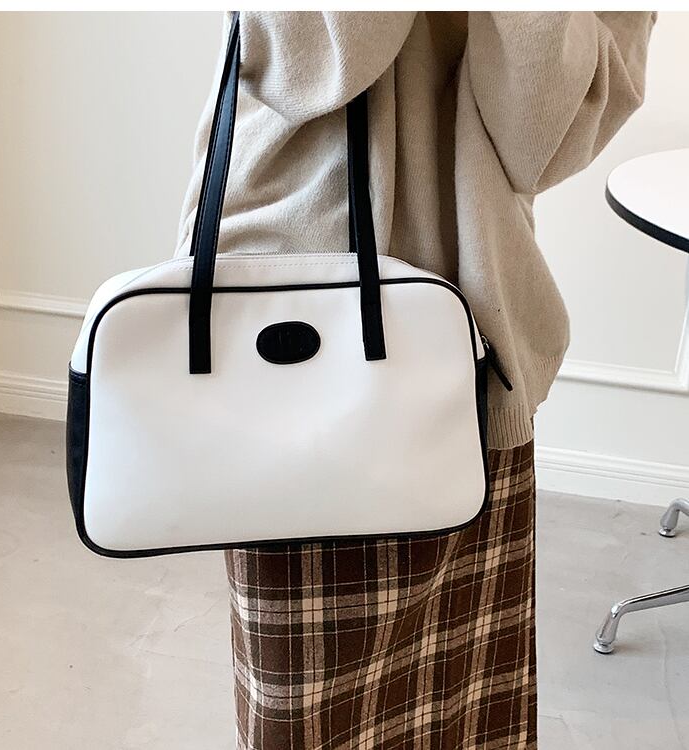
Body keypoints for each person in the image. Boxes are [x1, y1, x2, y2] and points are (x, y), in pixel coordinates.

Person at [176, 11, 656, 749]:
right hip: (296, 340)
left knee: (465, 718)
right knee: (307, 719)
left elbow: (541, 139)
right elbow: (309, 58)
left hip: (472, 339)